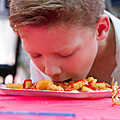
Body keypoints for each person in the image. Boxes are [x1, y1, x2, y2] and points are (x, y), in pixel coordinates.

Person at [9, 0, 120, 84]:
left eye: (65, 54)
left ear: (100, 29)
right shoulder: (44, 49)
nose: (49, 71)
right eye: (35, 55)